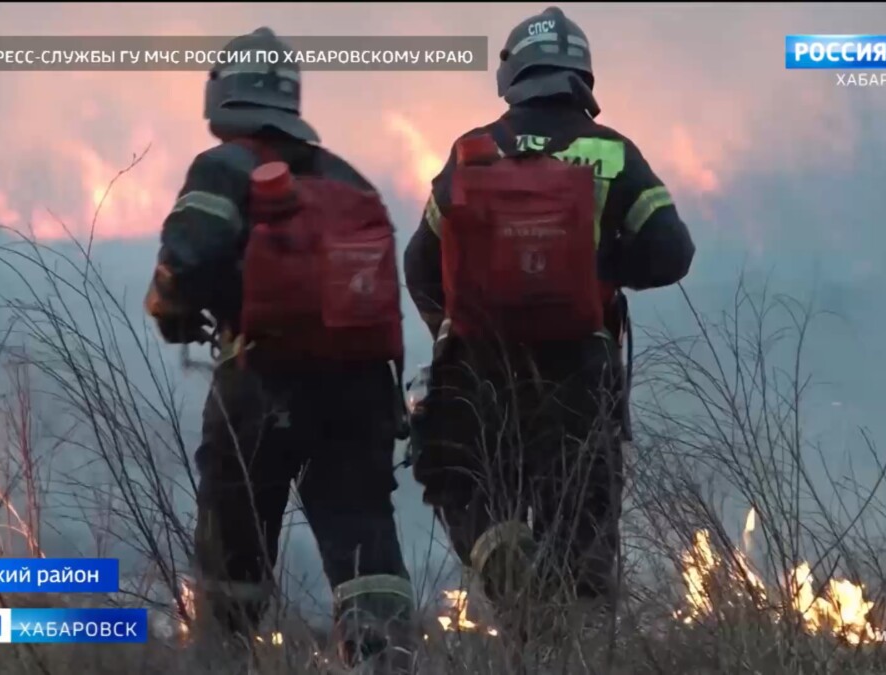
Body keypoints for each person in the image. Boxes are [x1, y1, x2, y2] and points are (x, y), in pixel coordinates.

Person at [403, 6, 696, 640]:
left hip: (479, 369)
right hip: (580, 372)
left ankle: (508, 568)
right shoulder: (612, 152)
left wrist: (454, 328)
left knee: (461, 482)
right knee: (582, 540)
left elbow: (418, 261)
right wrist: (598, 267)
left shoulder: (471, 152)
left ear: (512, 74)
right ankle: (578, 643)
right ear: (581, 76)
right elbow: (673, 252)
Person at [143, 27, 415, 670]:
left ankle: (224, 657)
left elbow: (187, 257)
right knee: (362, 536)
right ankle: (384, 658)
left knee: (232, 551)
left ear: (222, 95)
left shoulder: (225, 165)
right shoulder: (346, 178)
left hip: (260, 383)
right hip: (359, 388)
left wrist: (172, 309)